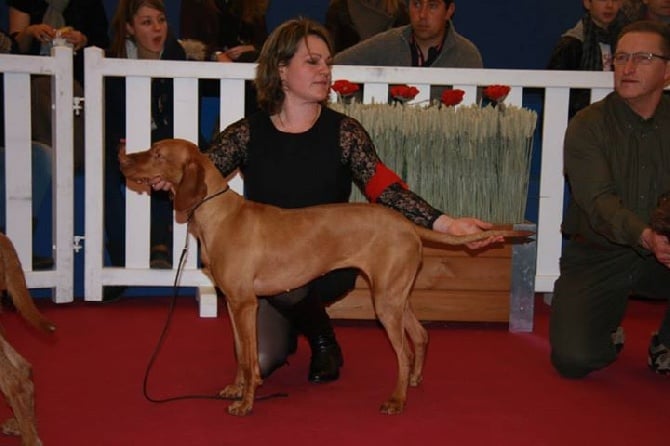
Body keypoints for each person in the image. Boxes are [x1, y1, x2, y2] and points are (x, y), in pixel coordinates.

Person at [152, 17, 501, 383]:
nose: (325, 71)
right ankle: (301, 328)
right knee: (265, 357)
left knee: (294, 277)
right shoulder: (247, 133)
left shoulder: (345, 133)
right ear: (282, 71)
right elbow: (200, 177)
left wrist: (446, 223)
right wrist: (170, 178)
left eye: (327, 62)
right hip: (269, 268)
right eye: (312, 62)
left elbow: (386, 188)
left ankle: (321, 339)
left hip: (330, 262)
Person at [550, 20, 670, 378]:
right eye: (621, 57)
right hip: (598, 255)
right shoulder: (588, 124)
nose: (628, 67)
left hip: (662, 254)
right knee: (574, 360)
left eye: (643, 58)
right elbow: (598, 202)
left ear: (667, 70)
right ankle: (606, 331)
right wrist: (647, 236)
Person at [104, 0, 188, 283]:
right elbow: (109, 113)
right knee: (108, 168)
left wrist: (159, 146)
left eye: (161, 20)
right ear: (129, 28)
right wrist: (119, 144)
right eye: (146, 22)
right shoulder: (112, 59)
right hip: (124, 138)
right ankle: (119, 259)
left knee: (170, 161)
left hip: (168, 137)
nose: (157, 28)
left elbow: (183, 109)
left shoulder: (175, 53)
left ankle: (162, 244)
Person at [7, 0, 109, 173]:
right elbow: (14, 47)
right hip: (30, 80)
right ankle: (59, 160)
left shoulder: (91, 4)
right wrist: (31, 32)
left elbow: (102, 47)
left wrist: (83, 40)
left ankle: (70, 159)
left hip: (79, 79)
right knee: (43, 88)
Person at [332, 0, 481, 102]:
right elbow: (336, 65)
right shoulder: (387, 42)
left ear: (449, 11)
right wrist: (361, 107)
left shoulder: (467, 55)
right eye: (416, 4)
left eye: (433, 6)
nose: (422, 15)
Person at [547, 0, 630, 116]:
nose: (609, 5)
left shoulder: (630, 42)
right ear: (587, 3)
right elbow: (555, 92)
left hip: (621, 114)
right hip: (581, 118)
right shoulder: (572, 44)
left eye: (615, 0)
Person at [179, 0, 268, 63]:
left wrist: (252, 48)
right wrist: (216, 55)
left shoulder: (254, 4)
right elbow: (189, 44)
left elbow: (265, 44)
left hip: (245, 73)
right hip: (208, 73)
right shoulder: (195, 3)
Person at [325, 0, 409, 54]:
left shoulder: (400, 12)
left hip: (392, 78)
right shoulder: (339, 9)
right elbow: (331, 53)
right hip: (349, 78)